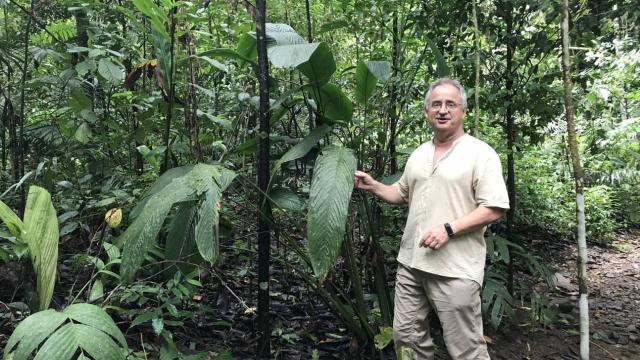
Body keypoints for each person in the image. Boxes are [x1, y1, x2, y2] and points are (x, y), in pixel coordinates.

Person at [354, 78, 509, 359]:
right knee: (407, 338)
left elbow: (494, 207)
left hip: (456, 270)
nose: (443, 110)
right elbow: (402, 193)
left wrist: (449, 229)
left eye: (451, 104)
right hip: (412, 264)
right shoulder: (420, 153)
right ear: (426, 112)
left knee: (466, 349)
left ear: (463, 111)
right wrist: (374, 185)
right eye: (436, 104)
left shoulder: (480, 154)